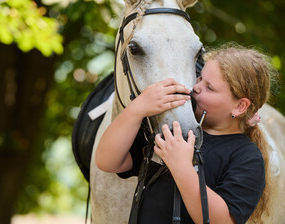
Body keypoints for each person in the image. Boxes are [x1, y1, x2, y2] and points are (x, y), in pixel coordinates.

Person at [95, 43, 275, 224]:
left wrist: (182, 168)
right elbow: (107, 161)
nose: (196, 88)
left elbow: (223, 221)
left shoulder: (247, 157)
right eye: (199, 79)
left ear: (239, 106)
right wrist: (137, 108)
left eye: (209, 88)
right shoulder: (173, 130)